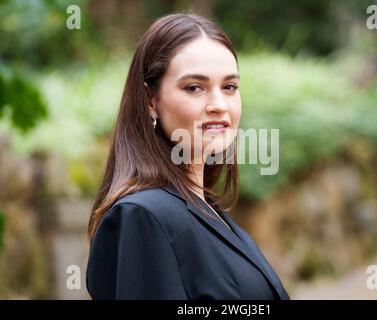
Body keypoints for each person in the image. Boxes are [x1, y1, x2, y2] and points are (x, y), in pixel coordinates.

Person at [86, 12, 290, 300]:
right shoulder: (143, 216)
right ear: (149, 101)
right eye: (195, 87)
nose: (219, 105)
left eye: (229, 87)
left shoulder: (208, 212)